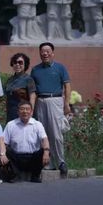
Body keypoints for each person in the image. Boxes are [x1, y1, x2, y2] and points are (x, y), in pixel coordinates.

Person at [30, 42, 71, 176]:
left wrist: (66, 104)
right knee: (43, 133)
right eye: (42, 51)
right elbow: (33, 91)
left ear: (52, 53)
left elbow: (67, 86)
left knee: (56, 133)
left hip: (55, 100)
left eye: (47, 51)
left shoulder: (60, 68)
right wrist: (31, 107)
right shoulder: (35, 70)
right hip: (41, 101)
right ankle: (47, 163)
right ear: (40, 53)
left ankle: (60, 162)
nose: (45, 53)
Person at [3, 101, 50, 183]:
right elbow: (4, 143)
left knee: (45, 151)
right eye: (22, 109)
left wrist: (46, 152)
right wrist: (2, 154)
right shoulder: (11, 125)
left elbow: (44, 139)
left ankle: (35, 175)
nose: (25, 111)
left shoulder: (37, 124)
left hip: (32, 158)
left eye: (27, 109)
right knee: (5, 150)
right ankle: (15, 175)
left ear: (31, 112)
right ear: (18, 112)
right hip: (16, 158)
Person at [5, 53, 36, 122]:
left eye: (20, 62)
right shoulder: (9, 80)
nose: (17, 64)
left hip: (23, 113)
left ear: (25, 65)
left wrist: (31, 112)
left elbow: (32, 96)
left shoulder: (28, 79)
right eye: (15, 62)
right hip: (10, 113)